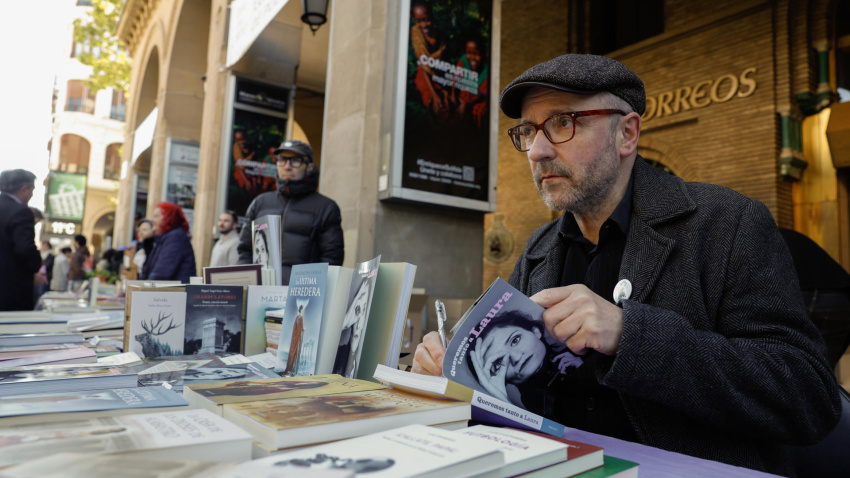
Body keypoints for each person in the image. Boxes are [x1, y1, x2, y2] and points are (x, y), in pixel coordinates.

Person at [412, 54, 841, 476]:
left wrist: (629, 335)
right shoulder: (538, 249)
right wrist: (454, 378)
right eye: (527, 130)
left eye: (563, 123)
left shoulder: (727, 223)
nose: (537, 151)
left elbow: (807, 398)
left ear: (627, 134)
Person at [237, 140, 344, 285]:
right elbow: (245, 251)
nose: (287, 166)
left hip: (300, 299)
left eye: (295, 161)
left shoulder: (326, 208)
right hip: (259, 295)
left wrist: (307, 295)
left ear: (309, 167)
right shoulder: (260, 203)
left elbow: (331, 260)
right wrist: (247, 285)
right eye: (282, 160)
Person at [466, 310, 582, 412]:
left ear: (535, 331)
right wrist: (502, 403)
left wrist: (586, 371)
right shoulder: (532, 404)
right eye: (498, 362)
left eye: (515, 340)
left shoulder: (583, 347)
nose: (516, 358)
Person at [0, 169, 41, 311]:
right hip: (10, 290)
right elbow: (25, 248)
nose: (31, 194)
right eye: (32, 190)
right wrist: (37, 266)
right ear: (24, 189)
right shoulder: (20, 211)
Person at [142, 202, 196, 283]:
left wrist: (142, 291)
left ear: (168, 218)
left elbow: (161, 273)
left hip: (177, 293)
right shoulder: (165, 238)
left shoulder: (175, 237)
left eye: (156, 216)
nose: (152, 220)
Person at [333, 280, 372, 378]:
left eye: (364, 310)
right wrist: (357, 297)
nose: (359, 323)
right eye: (358, 309)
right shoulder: (341, 355)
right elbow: (344, 323)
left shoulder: (369, 361)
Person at [283, 304, 305, 376]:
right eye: (302, 310)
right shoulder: (300, 317)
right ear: (300, 310)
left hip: (295, 336)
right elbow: (300, 327)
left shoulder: (297, 317)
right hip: (297, 336)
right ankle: (291, 368)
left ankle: (290, 368)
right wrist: (302, 330)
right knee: (295, 351)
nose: (302, 311)